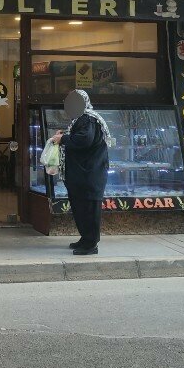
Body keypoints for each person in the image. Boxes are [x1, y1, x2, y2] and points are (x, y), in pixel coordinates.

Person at [51, 89, 111, 255]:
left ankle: (90, 244)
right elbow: (80, 137)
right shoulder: (83, 119)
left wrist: (62, 139)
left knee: (89, 208)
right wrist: (65, 136)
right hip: (83, 174)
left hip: (89, 174)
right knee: (81, 207)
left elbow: (84, 139)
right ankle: (85, 238)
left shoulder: (89, 119)